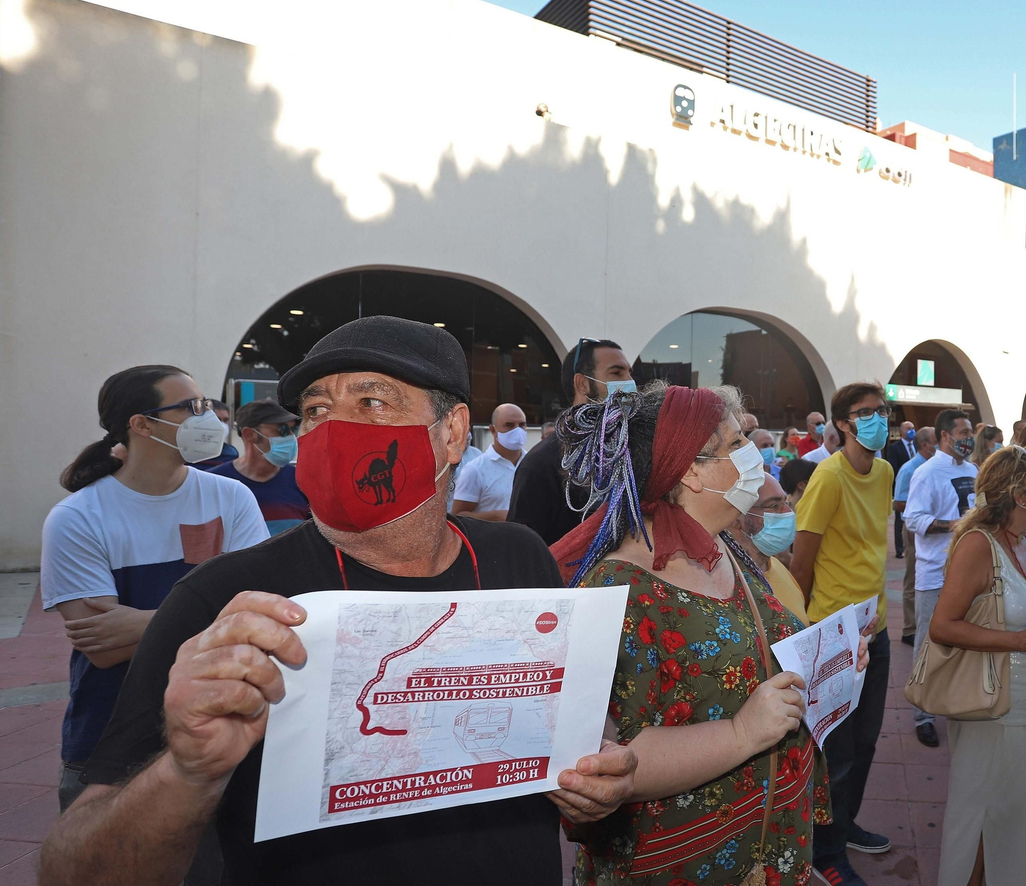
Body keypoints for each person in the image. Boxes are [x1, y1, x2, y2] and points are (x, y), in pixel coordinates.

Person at [41, 317, 636, 885]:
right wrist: (185, 771)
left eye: (371, 403)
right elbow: (77, 871)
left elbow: (562, 749)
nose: (332, 429)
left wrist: (595, 781)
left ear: (452, 433)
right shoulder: (224, 603)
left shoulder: (518, 558)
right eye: (316, 410)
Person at [551, 383, 860, 885]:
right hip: (681, 861)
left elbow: (751, 659)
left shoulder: (728, 549)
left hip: (771, 843)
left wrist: (831, 658)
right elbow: (604, 764)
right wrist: (741, 734)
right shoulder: (616, 588)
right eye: (738, 442)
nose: (755, 455)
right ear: (690, 471)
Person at [42, 367, 268, 816]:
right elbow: (104, 648)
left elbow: (257, 615)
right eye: (189, 408)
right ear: (141, 424)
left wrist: (143, 622)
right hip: (111, 734)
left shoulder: (232, 497)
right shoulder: (77, 517)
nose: (208, 419)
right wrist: (220, 619)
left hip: (219, 723)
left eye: (206, 405)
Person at [928, 447, 1026, 886]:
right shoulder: (978, 545)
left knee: (1014, 812)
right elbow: (942, 626)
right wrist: (1017, 641)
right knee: (981, 811)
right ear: (1020, 495)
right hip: (995, 705)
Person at [791, 383, 895, 885]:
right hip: (832, 634)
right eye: (865, 413)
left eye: (882, 410)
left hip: (874, 630)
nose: (878, 419)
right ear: (844, 425)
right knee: (838, 752)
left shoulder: (887, 471)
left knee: (868, 740)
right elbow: (802, 561)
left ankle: (845, 826)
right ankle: (826, 851)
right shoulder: (828, 477)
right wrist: (803, 633)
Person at [507, 337, 634, 544]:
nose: (629, 383)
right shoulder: (540, 465)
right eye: (616, 373)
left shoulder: (630, 451)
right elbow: (522, 552)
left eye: (630, 373)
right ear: (582, 384)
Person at [903, 410, 979, 748]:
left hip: (969, 572)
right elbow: (914, 519)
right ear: (945, 436)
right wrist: (955, 525)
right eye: (963, 431)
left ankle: (956, 702)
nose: (969, 438)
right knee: (928, 643)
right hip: (935, 573)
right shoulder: (926, 472)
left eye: (970, 432)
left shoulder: (974, 470)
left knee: (965, 640)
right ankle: (923, 715)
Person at [204, 399, 311, 536]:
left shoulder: (302, 481)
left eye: (293, 429)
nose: (291, 437)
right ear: (249, 434)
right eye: (282, 430)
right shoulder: (215, 484)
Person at [731, 473, 808, 623]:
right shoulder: (727, 582)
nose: (787, 512)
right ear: (736, 518)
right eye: (774, 505)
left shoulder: (778, 568)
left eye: (786, 503)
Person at [894, 427, 937, 647]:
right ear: (925, 445)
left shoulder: (935, 467)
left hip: (932, 529)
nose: (938, 445)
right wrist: (918, 504)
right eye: (935, 441)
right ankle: (909, 628)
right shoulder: (911, 469)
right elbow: (898, 502)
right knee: (912, 576)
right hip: (914, 528)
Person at [451, 402, 527, 521]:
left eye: (522, 425)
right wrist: (495, 517)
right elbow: (458, 516)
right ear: (493, 430)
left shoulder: (532, 463)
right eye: (509, 425)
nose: (517, 431)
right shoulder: (475, 469)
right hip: (492, 538)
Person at [884, 421, 915, 558]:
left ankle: (910, 545)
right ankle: (899, 548)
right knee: (899, 518)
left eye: (913, 428)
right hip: (902, 486)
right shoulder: (895, 448)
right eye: (908, 428)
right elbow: (893, 467)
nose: (911, 431)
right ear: (902, 431)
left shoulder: (916, 447)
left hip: (915, 486)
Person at [197, 399, 240, 469]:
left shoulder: (231, 454)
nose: (222, 425)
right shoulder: (187, 453)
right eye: (217, 419)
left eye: (225, 420)